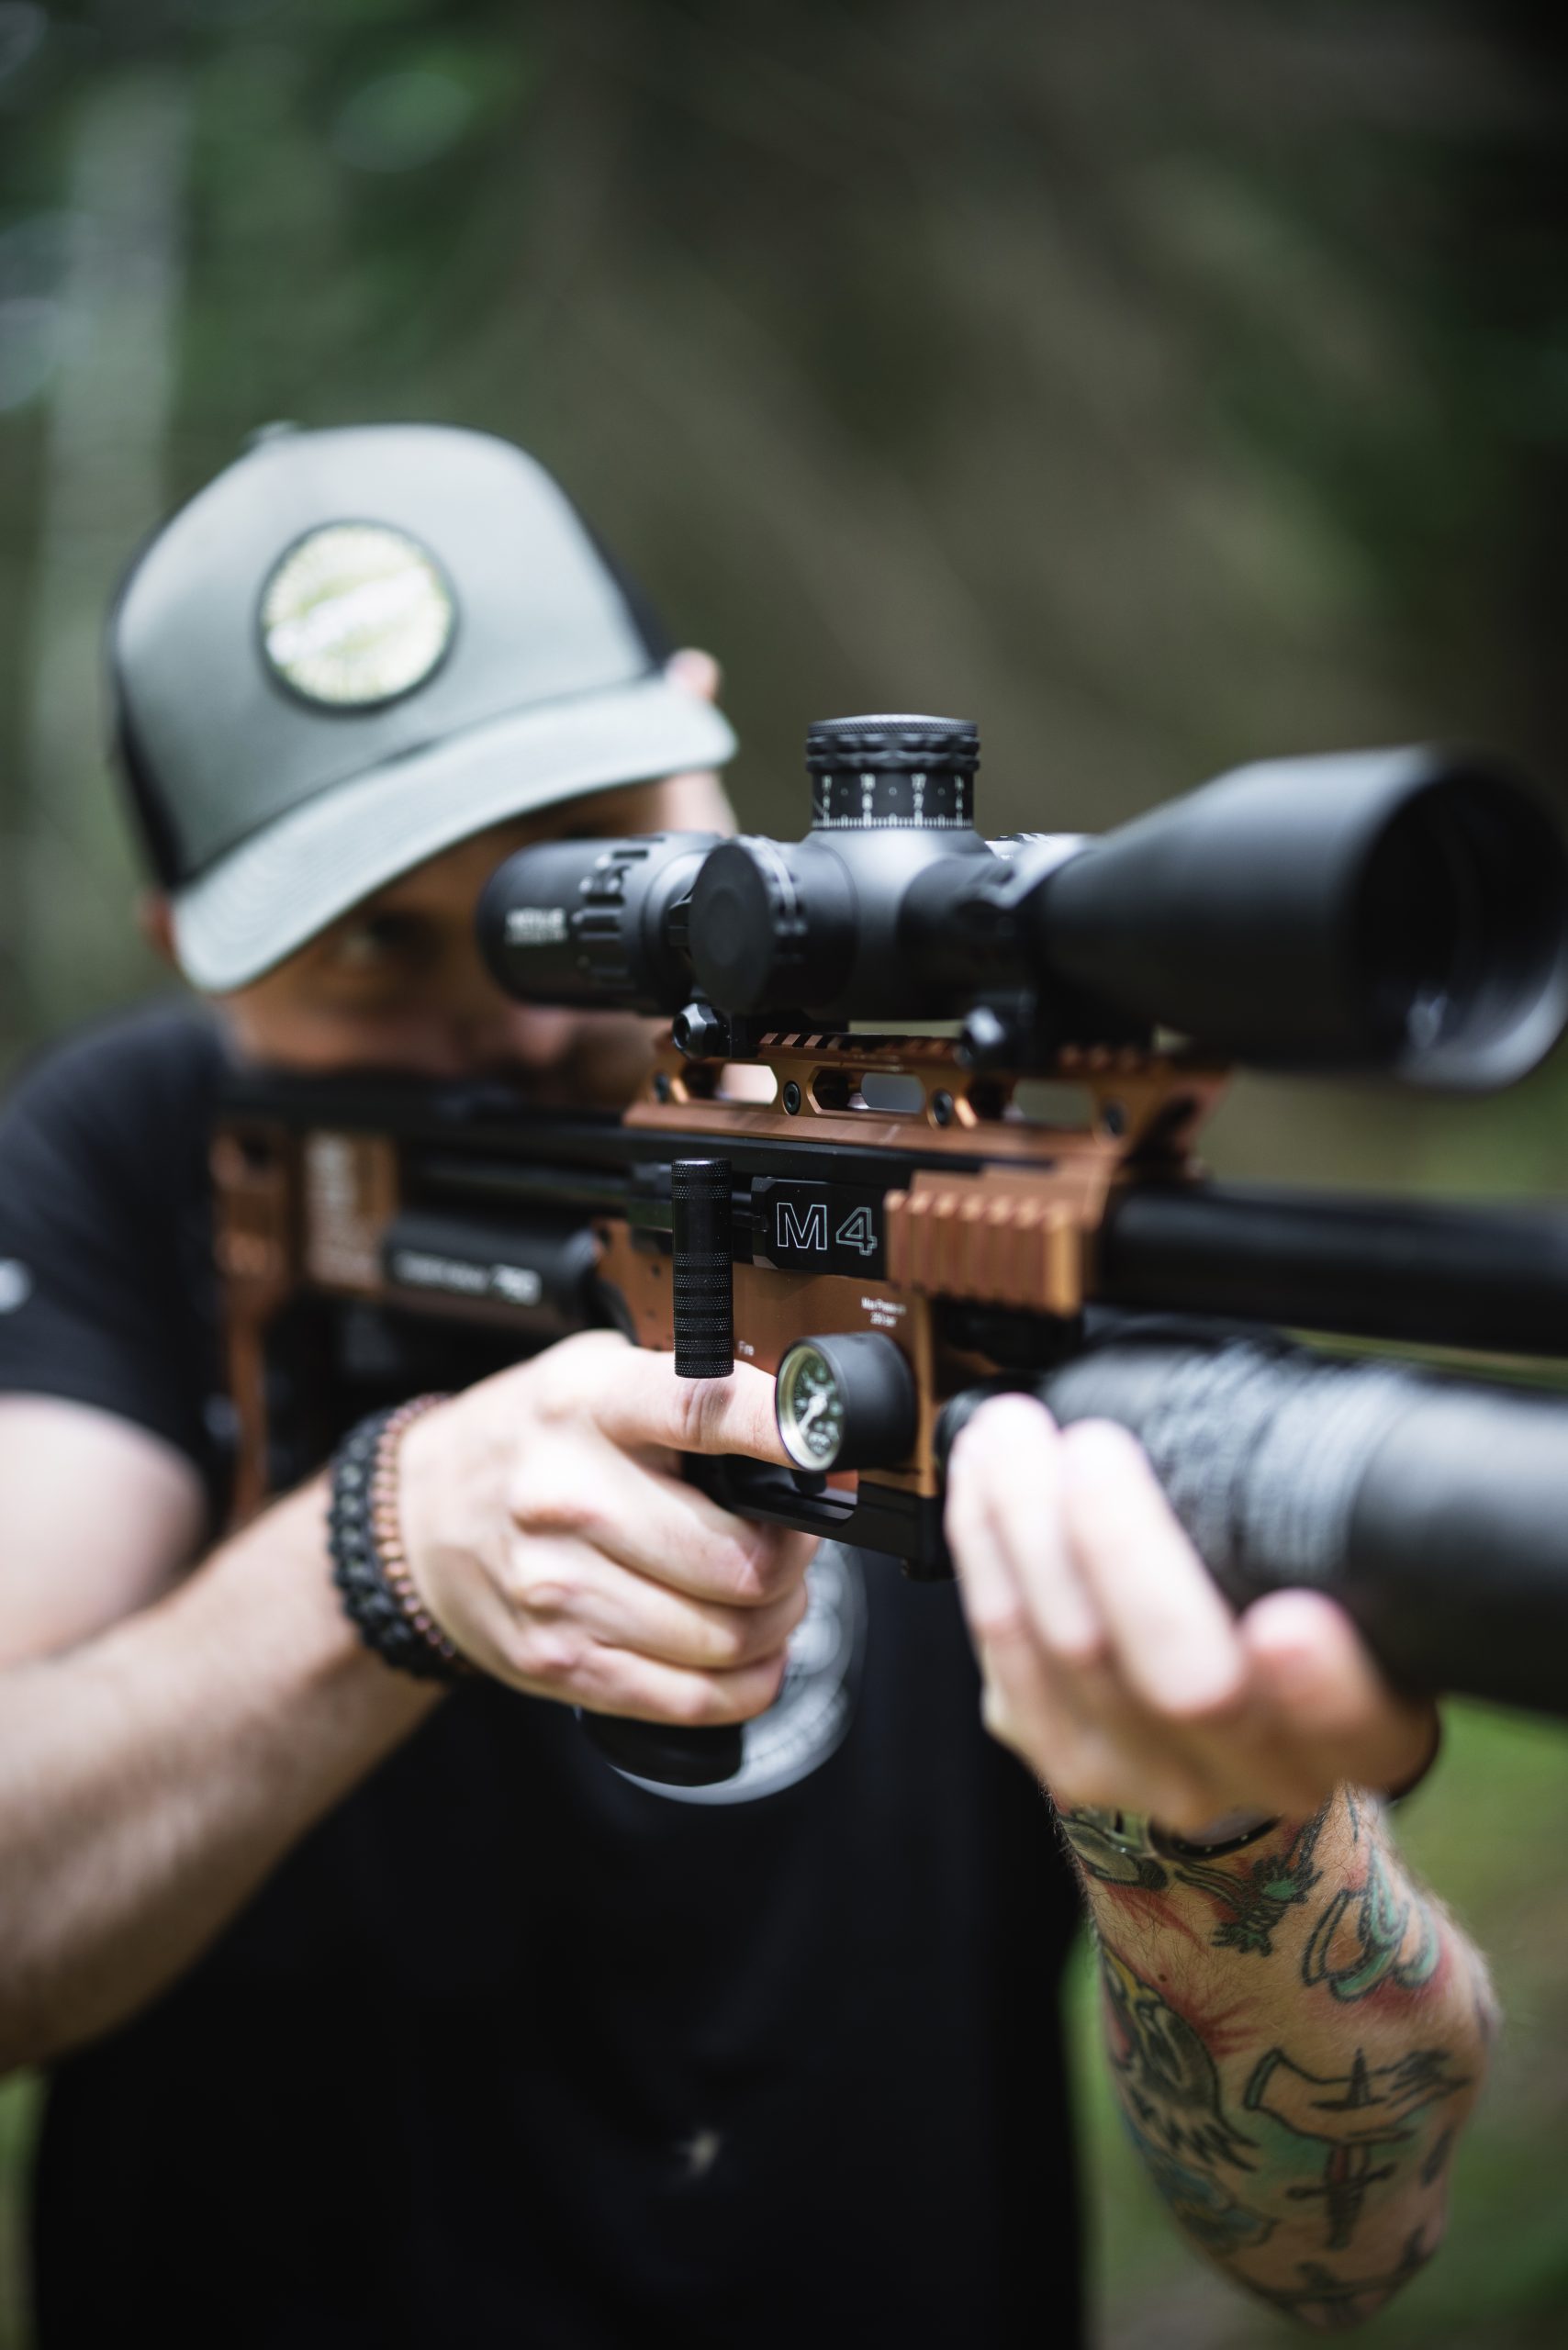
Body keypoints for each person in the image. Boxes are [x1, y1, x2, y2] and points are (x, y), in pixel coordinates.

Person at [0, 422, 1495, 2347]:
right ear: (191, 960)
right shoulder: (138, 1156)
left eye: (590, 849)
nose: (527, 1011)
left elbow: (1340, 2247)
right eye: (375, 942)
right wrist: (380, 1553)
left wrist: (1217, 1855)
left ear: (697, 732)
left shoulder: (997, 1173)